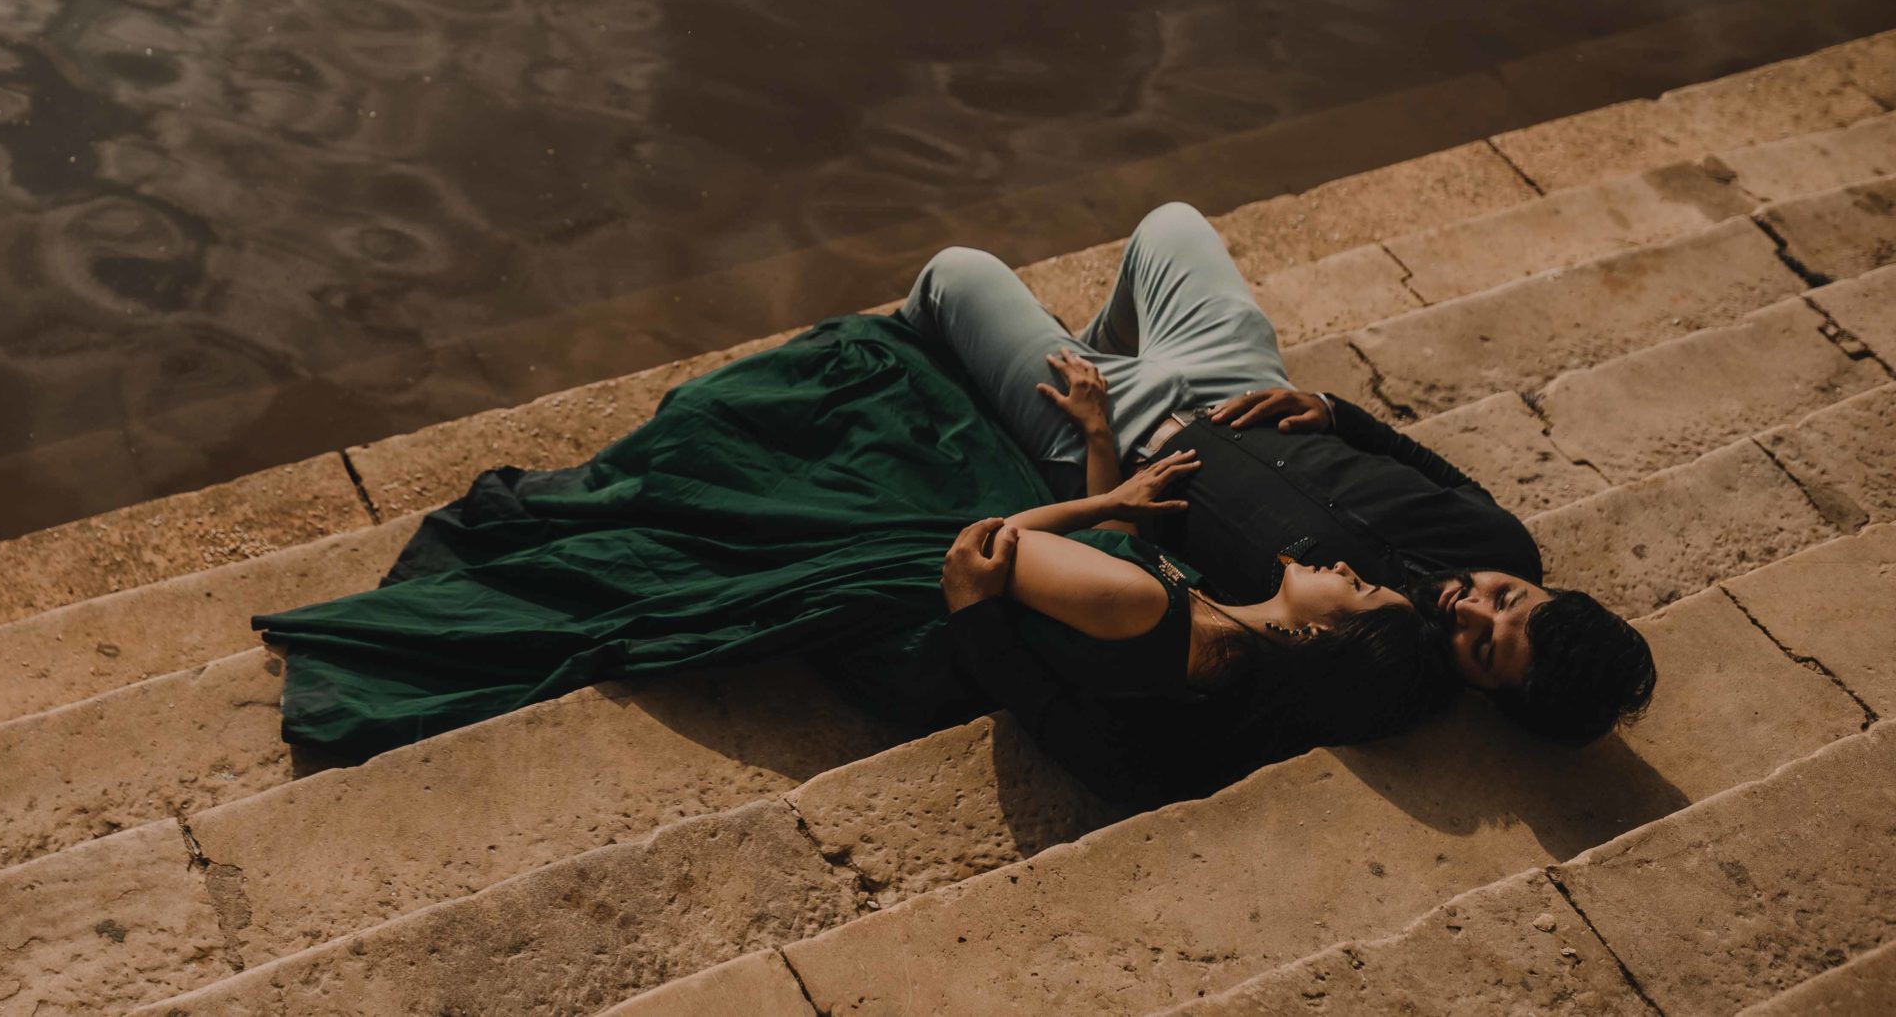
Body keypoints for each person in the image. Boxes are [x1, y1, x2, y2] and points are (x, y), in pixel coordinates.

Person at [252, 305, 1454, 768]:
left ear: (1316, 642)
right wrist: (1103, 457)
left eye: (1361, 598)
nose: (1352, 572)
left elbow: (980, 548)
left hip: (932, 598)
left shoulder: (1153, 615)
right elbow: (1110, 566)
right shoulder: (1215, 661)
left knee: (865, 378)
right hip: (1022, 597)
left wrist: (1093, 499)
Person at [899, 207, 1655, 804]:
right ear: (1536, 584)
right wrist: (1335, 411)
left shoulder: (1375, 659)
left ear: (1489, 694)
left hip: (1123, 440)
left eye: (1484, 647)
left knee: (955, 274)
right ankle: (1081, 347)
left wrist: (1096, 476)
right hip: (1236, 376)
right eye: (1506, 598)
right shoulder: (1506, 542)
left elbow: (1136, 759)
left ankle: (920, 362)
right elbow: (1438, 472)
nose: (1469, 604)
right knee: (1170, 223)